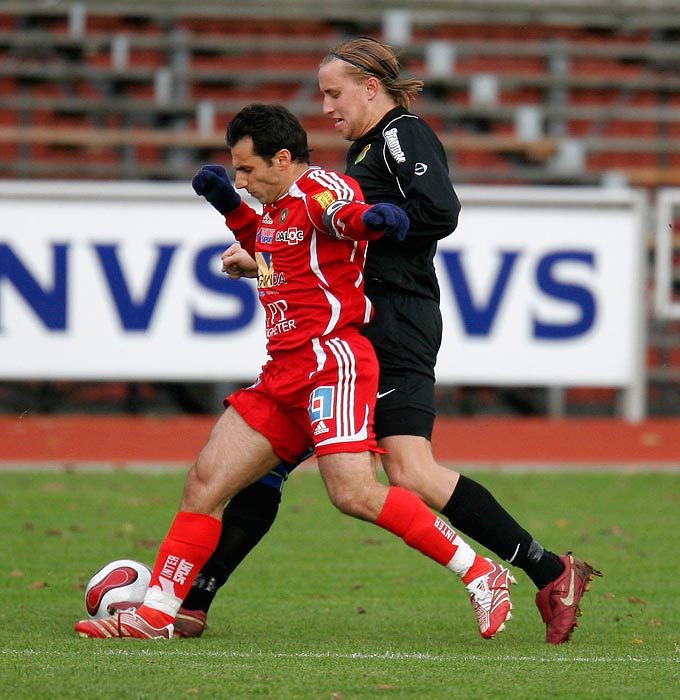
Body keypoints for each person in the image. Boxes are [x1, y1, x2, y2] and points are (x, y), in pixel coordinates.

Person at [171, 38, 602, 647]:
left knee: (410, 472)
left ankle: (547, 570)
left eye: (334, 92)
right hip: (347, 331)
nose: (325, 107)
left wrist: (365, 227)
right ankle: (192, 601)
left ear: (371, 87)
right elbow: (331, 236)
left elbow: (438, 212)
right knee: (269, 459)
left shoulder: (403, 134)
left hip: (395, 322)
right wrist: (273, 253)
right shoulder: (364, 149)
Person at [74, 103, 514, 640]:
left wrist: (371, 221)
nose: (242, 178)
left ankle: (482, 573)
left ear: (282, 159)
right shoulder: (280, 204)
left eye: (247, 169)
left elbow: (338, 217)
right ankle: (157, 615)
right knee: (205, 482)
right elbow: (273, 240)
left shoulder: (325, 188)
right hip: (284, 371)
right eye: (235, 169)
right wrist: (229, 207)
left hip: (333, 364)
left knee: (353, 494)